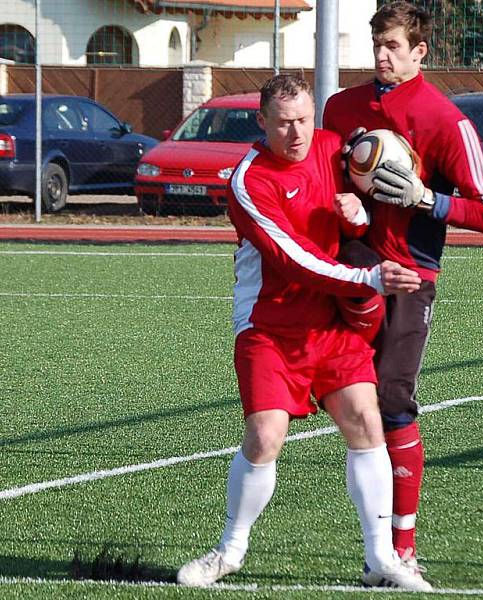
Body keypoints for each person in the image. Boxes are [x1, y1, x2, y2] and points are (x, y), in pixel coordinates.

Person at [176, 74, 432, 592]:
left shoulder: (333, 148)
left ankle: (381, 558)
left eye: (303, 120)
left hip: (329, 325)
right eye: (283, 123)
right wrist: (367, 277)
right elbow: (292, 260)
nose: (296, 133)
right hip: (269, 327)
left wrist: (360, 217)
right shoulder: (249, 180)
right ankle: (229, 550)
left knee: (366, 421)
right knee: (266, 436)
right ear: (262, 122)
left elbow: (355, 218)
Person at [323, 0, 483, 572]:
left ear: (419, 51)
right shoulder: (341, 107)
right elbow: (316, 179)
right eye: (376, 46)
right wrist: (342, 202)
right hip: (347, 271)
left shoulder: (444, 119)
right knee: (319, 399)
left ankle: (402, 550)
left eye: (393, 47)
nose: (381, 57)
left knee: (392, 399)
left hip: (407, 278)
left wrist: (428, 199)